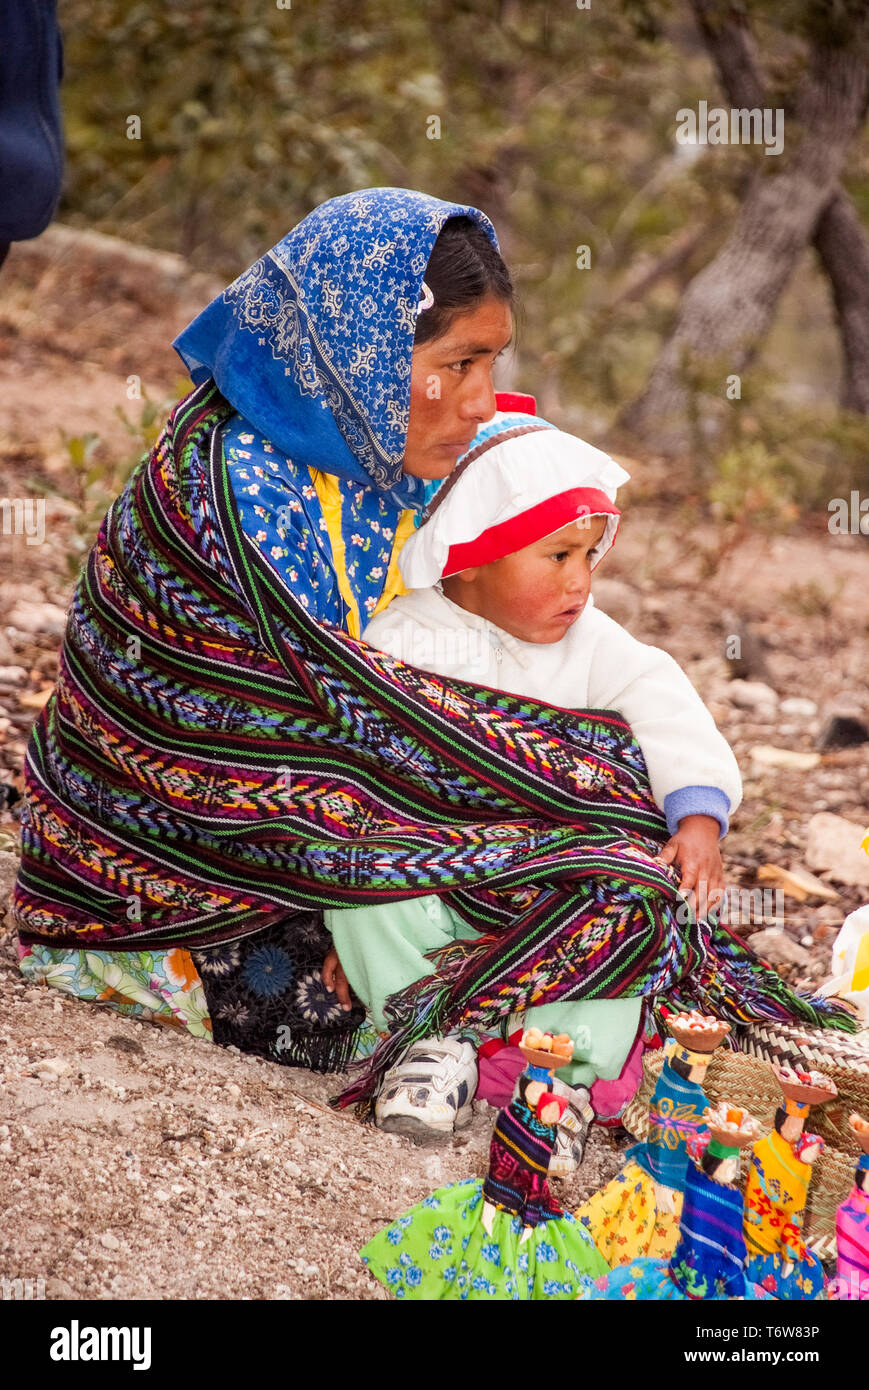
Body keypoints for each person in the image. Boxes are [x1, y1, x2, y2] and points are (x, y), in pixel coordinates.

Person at [323, 413, 742, 1141]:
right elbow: (365, 776)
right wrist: (344, 926)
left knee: (632, 895)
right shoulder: (400, 641)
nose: (580, 581)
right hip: (438, 879)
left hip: (553, 893)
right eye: (556, 556)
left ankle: (560, 1078)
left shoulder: (593, 643)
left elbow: (665, 705)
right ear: (474, 554)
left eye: (590, 555)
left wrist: (697, 818)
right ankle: (428, 1041)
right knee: (358, 873)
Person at [359, 1029, 608, 1300]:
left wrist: (532, 1212)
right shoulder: (511, 1119)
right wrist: (494, 1199)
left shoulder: (543, 1130)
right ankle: (445, 1038)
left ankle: (573, 1074)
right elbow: (501, 1155)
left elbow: (536, 1172)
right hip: (500, 1191)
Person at [576, 1013, 729, 1264]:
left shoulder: (682, 1092)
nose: (702, 1072)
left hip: (679, 1172)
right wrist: (664, 1182)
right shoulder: (676, 1097)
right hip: (663, 1177)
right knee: (645, 1229)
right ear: (686, 1064)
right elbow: (663, 1139)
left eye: (705, 1066)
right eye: (699, 1066)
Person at [582, 1102, 763, 1301]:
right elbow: (695, 1232)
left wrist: (734, 1271)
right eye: (728, 1163)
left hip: (714, 1274)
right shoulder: (698, 1188)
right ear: (714, 1163)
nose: (732, 1170)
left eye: (734, 1164)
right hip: (692, 1269)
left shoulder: (733, 1196)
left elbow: (734, 1238)